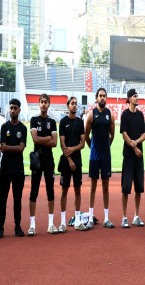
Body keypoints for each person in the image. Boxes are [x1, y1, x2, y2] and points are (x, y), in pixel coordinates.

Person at [84, 87, 115, 229]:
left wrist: (106, 147)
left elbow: (112, 135)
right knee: (93, 187)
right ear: (96, 98)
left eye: (104, 95)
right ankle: (90, 218)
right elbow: (86, 135)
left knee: (106, 187)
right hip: (94, 157)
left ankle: (106, 218)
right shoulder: (92, 114)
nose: (102, 97)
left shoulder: (110, 114)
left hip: (106, 157)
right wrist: (93, 148)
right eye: (100, 95)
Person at [0, 98, 26, 238]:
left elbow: (21, 148)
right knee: (2, 199)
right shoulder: (4, 127)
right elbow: (2, 147)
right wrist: (11, 148)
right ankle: (0, 227)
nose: (12, 110)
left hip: (18, 168)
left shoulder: (23, 128)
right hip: (5, 168)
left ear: (19, 110)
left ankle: (17, 226)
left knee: (17, 199)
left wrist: (8, 148)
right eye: (11, 108)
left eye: (15, 108)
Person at [29, 94, 58, 235]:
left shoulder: (52, 122)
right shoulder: (34, 119)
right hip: (37, 159)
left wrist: (43, 139)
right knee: (34, 190)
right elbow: (35, 140)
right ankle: (32, 225)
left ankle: (51, 224)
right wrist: (48, 138)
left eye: (46, 102)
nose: (44, 104)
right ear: (39, 104)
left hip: (48, 160)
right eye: (42, 102)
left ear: (49, 104)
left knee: (50, 190)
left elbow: (55, 143)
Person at [58, 97, 87, 232]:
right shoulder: (63, 122)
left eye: (76, 104)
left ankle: (77, 220)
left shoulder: (80, 122)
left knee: (77, 190)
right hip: (66, 161)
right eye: (72, 104)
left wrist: (73, 150)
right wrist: (69, 160)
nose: (74, 106)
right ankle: (63, 222)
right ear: (68, 106)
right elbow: (62, 144)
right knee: (64, 190)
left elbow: (83, 143)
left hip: (78, 161)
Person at [120, 89, 145, 228]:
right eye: (135, 96)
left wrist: (136, 142)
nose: (137, 98)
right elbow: (124, 135)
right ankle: (124, 217)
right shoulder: (124, 115)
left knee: (139, 187)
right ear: (129, 99)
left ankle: (136, 216)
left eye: (137, 96)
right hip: (129, 156)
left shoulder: (140, 115)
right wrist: (135, 147)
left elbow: (144, 134)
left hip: (139, 156)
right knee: (126, 187)